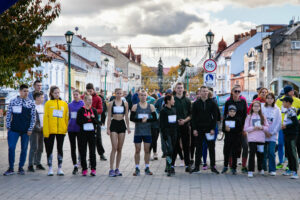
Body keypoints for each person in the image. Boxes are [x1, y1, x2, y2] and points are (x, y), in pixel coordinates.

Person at [3, 84, 36, 176]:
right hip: (14, 129)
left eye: (27, 91)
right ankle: (11, 168)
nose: (26, 93)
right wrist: (8, 127)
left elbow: (33, 117)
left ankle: (21, 167)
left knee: (24, 149)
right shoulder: (13, 101)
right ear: (20, 91)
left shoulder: (31, 103)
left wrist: (30, 129)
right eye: (24, 91)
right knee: (11, 147)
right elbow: (9, 115)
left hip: (26, 130)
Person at [191, 86, 219, 174]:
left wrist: (212, 128)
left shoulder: (212, 103)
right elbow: (193, 118)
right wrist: (194, 129)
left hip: (209, 129)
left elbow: (215, 117)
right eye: (203, 91)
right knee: (198, 148)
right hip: (199, 129)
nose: (205, 93)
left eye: (206, 91)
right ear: (200, 92)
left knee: (211, 148)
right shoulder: (196, 103)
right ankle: (196, 167)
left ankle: (213, 167)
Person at [130, 89, 157, 176]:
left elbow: (155, 119)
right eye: (141, 95)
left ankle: (147, 167)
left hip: (147, 131)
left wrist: (147, 119)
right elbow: (131, 118)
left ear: (147, 96)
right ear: (139, 96)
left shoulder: (151, 106)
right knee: (137, 150)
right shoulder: (135, 106)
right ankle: (137, 168)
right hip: (138, 131)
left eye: (145, 95)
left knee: (147, 150)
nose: (143, 97)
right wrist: (140, 120)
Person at [43, 86, 69, 176]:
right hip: (50, 130)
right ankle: (50, 168)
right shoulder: (48, 103)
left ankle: (60, 168)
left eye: (58, 92)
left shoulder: (64, 104)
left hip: (61, 131)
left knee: (60, 149)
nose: (57, 94)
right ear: (51, 94)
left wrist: (65, 128)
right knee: (49, 149)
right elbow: (45, 118)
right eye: (55, 93)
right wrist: (46, 131)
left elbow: (66, 117)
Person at [106, 88, 131, 177]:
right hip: (114, 124)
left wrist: (128, 127)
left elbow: (127, 116)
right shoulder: (111, 103)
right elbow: (109, 116)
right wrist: (108, 128)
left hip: (121, 124)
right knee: (114, 147)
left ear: (122, 94)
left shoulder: (125, 103)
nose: (119, 94)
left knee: (120, 148)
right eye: (117, 93)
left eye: (120, 93)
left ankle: (117, 168)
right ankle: (111, 169)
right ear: (115, 94)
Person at [224, 85, 248, 173]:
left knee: (245, 146)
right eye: (235, 91)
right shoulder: (228, 102)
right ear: (232, 92)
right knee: (231, 147)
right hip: (230, 129)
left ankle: (244, 166)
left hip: (241, 128)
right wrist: (225, 127)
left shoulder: (243, 101)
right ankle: (231, 166)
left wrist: (245, 128)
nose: (237, 93)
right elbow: (225, 115)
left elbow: (246, 115)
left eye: (239, 91)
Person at [276, 85, 300, 170]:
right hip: (283, 129)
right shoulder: (281, 103)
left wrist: (298, 118)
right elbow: (277, 113)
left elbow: (295, 122)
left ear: (288, 103)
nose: (293, 91)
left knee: (291, 150)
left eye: (293, 90)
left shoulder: (293, 107)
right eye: (291, 90)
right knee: (283, 146)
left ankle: (293, 169)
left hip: (291, 131)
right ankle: (284, 164)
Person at [244, 101, 269, 178]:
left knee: (260, 155)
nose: (256, 108)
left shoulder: (263, 117)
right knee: (252, 154)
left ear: (260, 108)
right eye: (254, 106)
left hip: (261, 139)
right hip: (252, 139)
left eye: (258, 106)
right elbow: (245, 128)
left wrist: (262, 127)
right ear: (252, 107)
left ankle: (260, 169)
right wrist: (253, 128)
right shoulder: (249, 116)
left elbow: (267, 127)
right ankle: (250, 170)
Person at [76, 94, 99, 176]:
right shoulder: (81, 110)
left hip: (92, 133)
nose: (90, 101)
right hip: (83, 133)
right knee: (83, 151)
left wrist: (92, 118)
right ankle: (84, 169)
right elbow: (78, 122)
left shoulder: (94, 110)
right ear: (84, 100)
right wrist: (86, 118)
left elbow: (97, 122)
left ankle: (93, 169)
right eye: (88, 100)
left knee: (92, 151)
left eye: (91, 100)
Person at [83, 83, 107, 161]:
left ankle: (101, 154)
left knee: (98, 138)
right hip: (86, 121)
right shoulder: (83, 97)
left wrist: (92, 111)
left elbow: (101, 110)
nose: (89, 92)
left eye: (91, 91)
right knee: (87, 139)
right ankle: (89, 156)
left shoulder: (98, 98)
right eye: (88, 91)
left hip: (95, 120)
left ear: (93, 90)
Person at [173, 82, 192, 173]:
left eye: (181, 88)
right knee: (174, 146)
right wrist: (177, 120)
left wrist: (184, 120)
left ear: (183, 89)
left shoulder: (187, 100)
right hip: (174, 126)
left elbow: (191, 114)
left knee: (186, 146)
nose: (180, 89)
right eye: (178, 88)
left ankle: (188, 165)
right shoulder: (172, 100)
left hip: (185, 125)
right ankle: (171, 165)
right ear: (175, 89)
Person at [262, 93, 281, 176]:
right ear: (266, 99)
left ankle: (272, 169)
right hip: (263, 134)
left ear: (274, 99)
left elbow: (279, 123)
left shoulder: (277, 109)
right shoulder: (262, 108)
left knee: (271, 152)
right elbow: (260, 120)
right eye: (268, 98)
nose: (269, 100)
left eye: (271, 98)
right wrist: (265, 131)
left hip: (273, 135)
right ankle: (263, 168)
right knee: (263, 152)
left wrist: (272, 132)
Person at [221, 105, 243, 175]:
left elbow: (239, 129)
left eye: (233, 111)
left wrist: (230, 129)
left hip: (235, 140)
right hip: (227, 139)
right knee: (226, 152)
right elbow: (223, 129)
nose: (232, 113)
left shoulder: (238, 120)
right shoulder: (226, 119)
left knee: (234, 154)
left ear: (235, 112)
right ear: (228, 112)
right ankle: (225, 166)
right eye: (230, 111)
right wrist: (225, 129)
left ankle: (234, 168)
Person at [281, 96, 299, 179]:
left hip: (292, 135)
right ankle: (291, 169)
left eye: (284, 101)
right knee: (288, 152)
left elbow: (295, 123)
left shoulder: (291, 111)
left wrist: (286, 126)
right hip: (287, 135)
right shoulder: (287, 111)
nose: (282, 103)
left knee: (292, 152)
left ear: (288, 103)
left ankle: (295, 171)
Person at [28, 91, 46, 172]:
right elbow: (31, 119)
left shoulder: (43, 107)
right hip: (34, 130)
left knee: (40, 148)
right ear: (37, 98)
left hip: (42, 130)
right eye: (42, 97)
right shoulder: (32, 107)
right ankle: (30, 164)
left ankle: (38, 163)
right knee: (33, 147)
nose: (43, 98)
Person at [160, 95, 177, 176]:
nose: (174, 101)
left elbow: (175, 121)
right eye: (173, 99)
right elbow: (161, 124)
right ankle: (169, 167)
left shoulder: (174, 109)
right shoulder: (163, 111)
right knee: (169, 150)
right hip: (167, 134)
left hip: (174, 133)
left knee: (172, 151)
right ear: (168, 101)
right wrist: (164, 135)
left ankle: (169, 166)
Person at [68, 89, 84, 175]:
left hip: (80, 129)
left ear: (80, 95)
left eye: (77, 94)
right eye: (74, 94)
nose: (75, 96)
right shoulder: (69, 105)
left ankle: (81, 163)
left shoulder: (83, 104)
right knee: (72, 147)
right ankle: (74, 165)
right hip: (71, 128)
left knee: (81, 147)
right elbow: (68, 116)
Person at [155, 89, 173, 158]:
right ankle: (164, 152)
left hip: (170, 123)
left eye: (170, 94)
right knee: (163, 137)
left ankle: (170, 151)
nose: (168, 95)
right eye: (167, 94)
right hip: (162, 122)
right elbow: (155, 107)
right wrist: (158, 113)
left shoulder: (172, 100)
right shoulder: (160, 100)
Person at [150, 94, 160, 161]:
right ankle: (152, 153)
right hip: (151, 124)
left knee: (155, 139)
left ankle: (154, 153)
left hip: (157, 124)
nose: (154, 101)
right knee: (152, 140)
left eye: (155, 100)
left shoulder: (157, 106)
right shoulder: (148, 106)